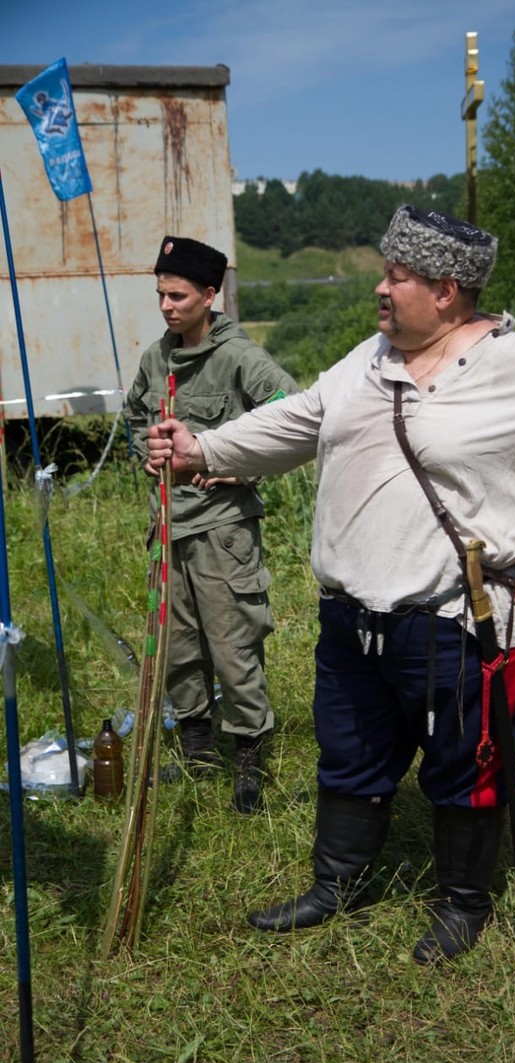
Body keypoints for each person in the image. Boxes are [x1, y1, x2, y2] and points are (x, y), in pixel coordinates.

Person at [146, 206, 515, 960]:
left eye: (396, 277)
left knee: (465, 766)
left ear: (446, 291)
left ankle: (462, 905)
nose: (380, 288)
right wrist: (204, 449)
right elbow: (302, 420)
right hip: (354, 616)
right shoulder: (370, 357)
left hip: (460, 621)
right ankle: (336, 885)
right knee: (350, 753)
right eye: (384, 272)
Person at [125, 236, 298, 814]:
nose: (166, 306)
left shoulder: (239, 358)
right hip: (169, 527)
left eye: (177, 296)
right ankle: (197, 747)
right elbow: (134, 416)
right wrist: (145, 453)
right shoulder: (156, 358)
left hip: (223, 532)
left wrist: (236, 466)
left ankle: (248, 757)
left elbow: (292, 414)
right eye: (160, 294)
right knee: (177, 648)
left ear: (209, 294)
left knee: (233, 646)